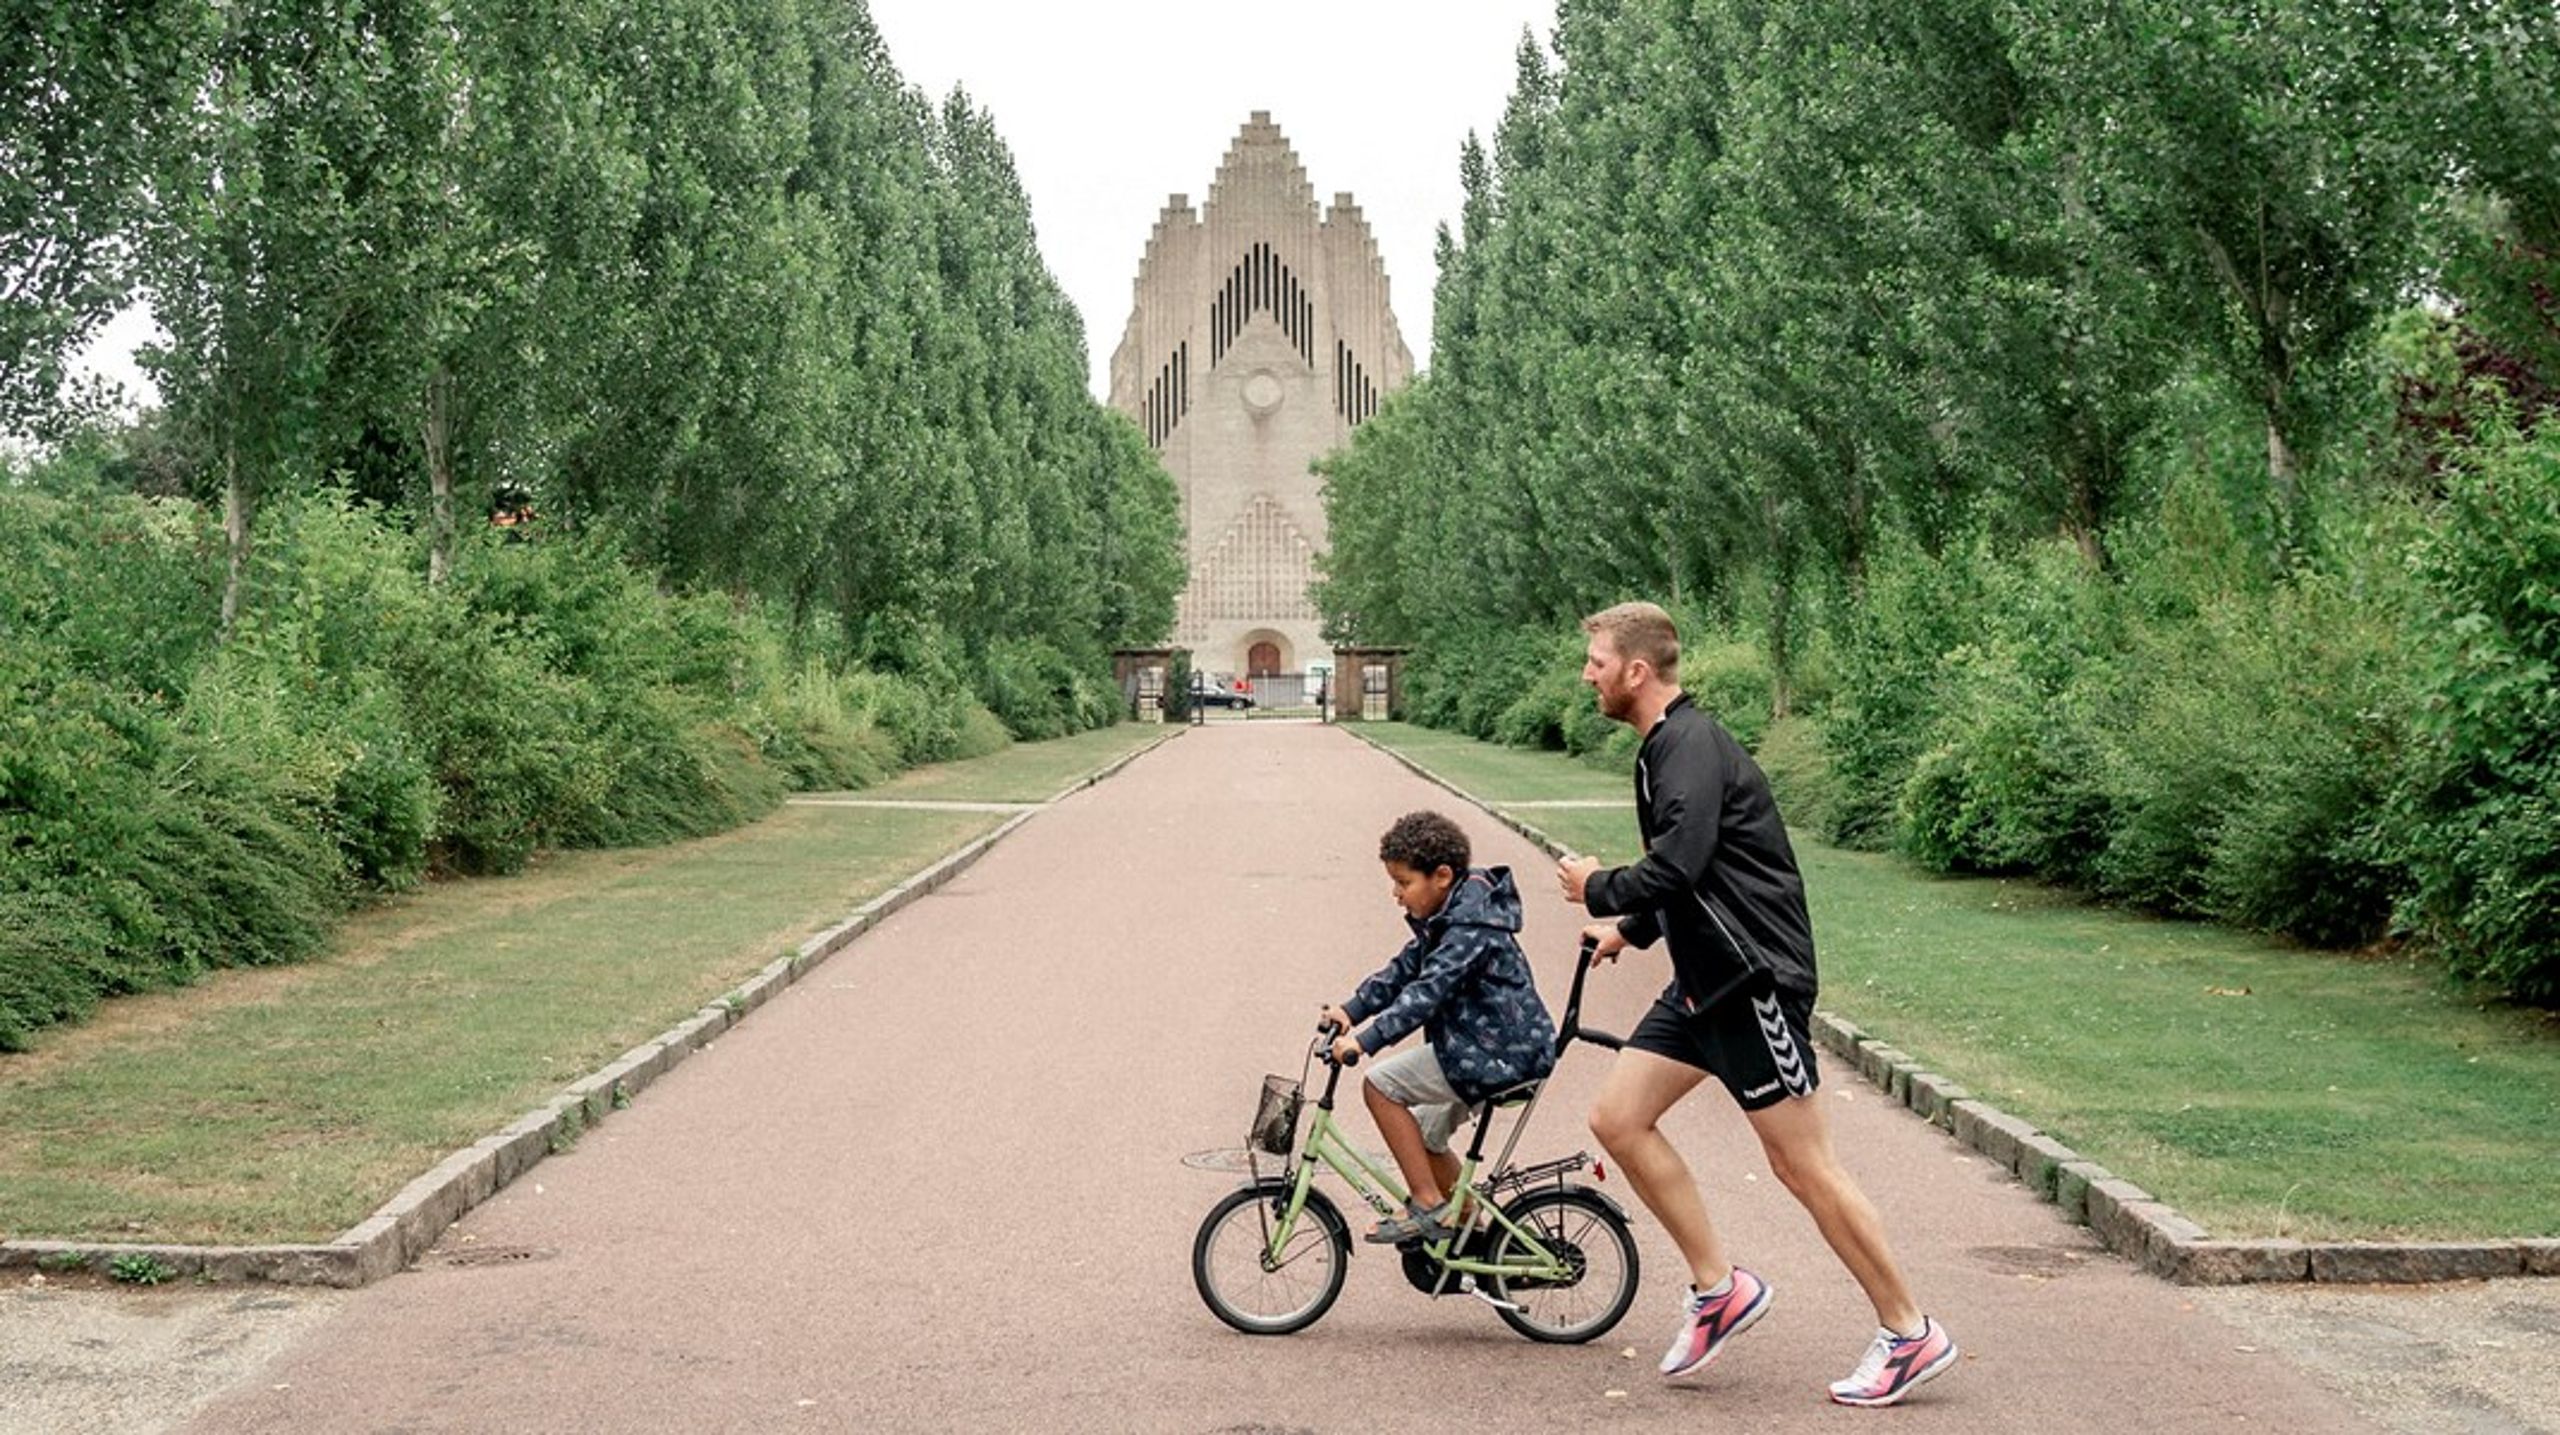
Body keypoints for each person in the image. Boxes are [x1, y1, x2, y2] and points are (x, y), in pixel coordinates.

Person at [1555, 601, 1957, 1408]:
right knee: (1619, 1118)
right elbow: (1695, 874)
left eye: (1596, 660)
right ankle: (1720, 1289)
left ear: (1636, 669)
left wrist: (1598, 886)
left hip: (1752, 982)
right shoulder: (1663, 747)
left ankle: (1910, 1331)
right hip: (1704, 983)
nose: (1587, 673)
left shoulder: (1688, 745)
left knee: (1802, 1164)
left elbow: (1679, 861)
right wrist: (1629, 930)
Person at [1321, 810, 1556, 1245]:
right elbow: (1404, 970)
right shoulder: (1454, 917)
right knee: (1427, 1137)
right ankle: (1476, 1238)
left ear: (1442, 876)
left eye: (1404, 882)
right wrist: (1351, 1010)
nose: (1396, 894)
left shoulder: (1469, 929)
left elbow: (1426, 993)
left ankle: (1427, 1203)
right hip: (1487, 1048)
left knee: (1379, 1086)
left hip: (1498, 1053)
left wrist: (1365, 1042)